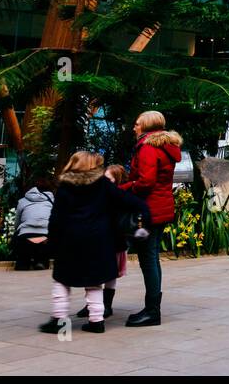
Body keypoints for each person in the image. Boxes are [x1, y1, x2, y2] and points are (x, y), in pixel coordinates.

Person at [40, 151, 148, 335]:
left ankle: (59, 320)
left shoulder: (66, 186)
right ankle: (96, 321)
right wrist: (143, 214)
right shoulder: (103, 185)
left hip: (69, 240)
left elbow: (56, 217)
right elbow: (128, 200)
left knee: (61, 279)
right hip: (98, 240)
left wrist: (52, 240)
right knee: (94, 281)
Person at [118, 113, 181, 328]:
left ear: (147, 126)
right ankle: (153, 308)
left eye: (136, 124)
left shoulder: (147, 147)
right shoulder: (165, 146)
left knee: (148, 258)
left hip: (149, 209)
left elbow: (145, 182)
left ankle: (152, 311)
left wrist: (123, 189)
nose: (134, 127)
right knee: (152, 257)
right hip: (160, 207)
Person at [75, 165, 146, 321]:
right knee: (94, 272)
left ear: (117, 180)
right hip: (99, 239)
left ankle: (106, 305)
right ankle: (92, 304)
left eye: (108, 179)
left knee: (110, 274)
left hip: (115, 240)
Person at [14, 177, 54, 271]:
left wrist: (17, 231)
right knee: (44, 246)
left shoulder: (22, 201)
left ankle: (23, 263)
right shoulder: (53, 201)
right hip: (45, 236)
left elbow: (17, 222)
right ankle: (41, 262)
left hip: (25, 235)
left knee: (22, 256)